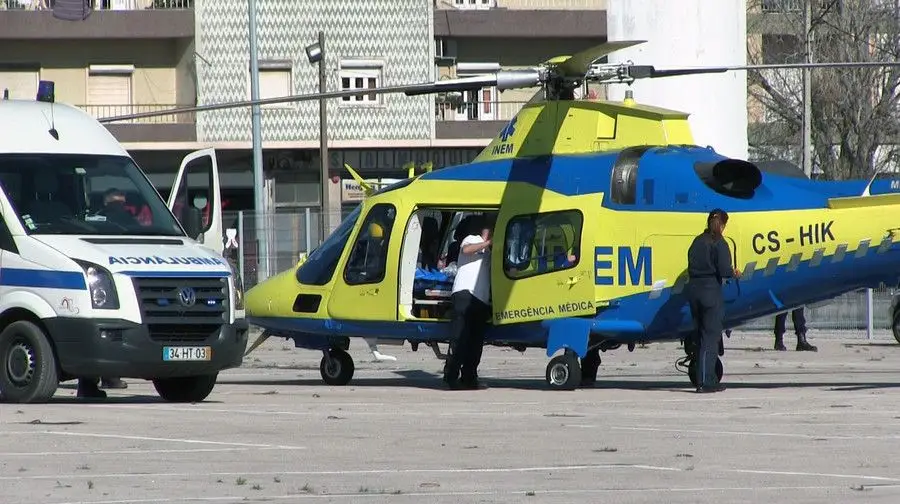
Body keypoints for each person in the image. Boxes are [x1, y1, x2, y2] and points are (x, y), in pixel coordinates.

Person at [686, 208, 740, 393]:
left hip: (693, 291)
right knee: (710, 337)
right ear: (723, 225)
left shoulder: (697, 241)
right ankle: (706, 381)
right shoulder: (720, 243)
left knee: (700, 336)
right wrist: (734, 273)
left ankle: (701, 377)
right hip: (710, 292)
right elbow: (725, 270)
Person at [443, 215, 493, 390]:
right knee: (460, 338)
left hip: (480, 299)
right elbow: (466, 250)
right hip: (465, 294)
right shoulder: (472, 239)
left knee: (475, 342)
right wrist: (487, 243)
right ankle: (451, 375)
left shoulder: (490, 251)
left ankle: (469, 377)